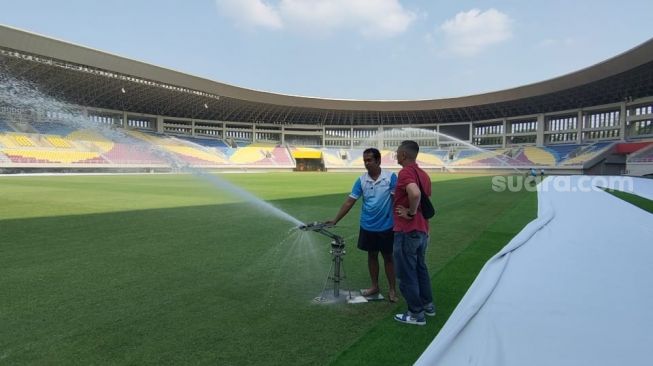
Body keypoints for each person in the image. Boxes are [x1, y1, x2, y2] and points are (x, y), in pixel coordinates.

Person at [327, 148, 398, 302]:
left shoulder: (390, 177)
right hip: (368, 226)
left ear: (378, 161)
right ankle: (374, 286)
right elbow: (349, 202)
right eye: (364, 160)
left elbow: (396, 200)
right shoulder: (361, 180)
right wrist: (335, 220)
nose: (366, 163)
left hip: (387, 226)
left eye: (369, 160)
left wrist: (399, 221)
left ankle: (393, 289)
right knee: (371, 256)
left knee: (388, 258)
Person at [392, 140, 435, 326]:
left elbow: (415, 194)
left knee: (406, 273)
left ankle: (415, 314)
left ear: (403, 155)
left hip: (407, 231)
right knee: (420, 269)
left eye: (397, 153)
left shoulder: (405, 172)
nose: (395, 155)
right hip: (422, 230)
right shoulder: (424, 174)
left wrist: (409, 212)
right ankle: (428, 306)